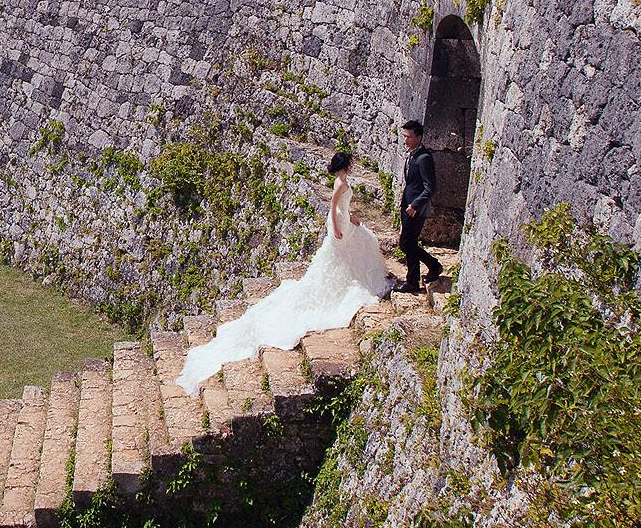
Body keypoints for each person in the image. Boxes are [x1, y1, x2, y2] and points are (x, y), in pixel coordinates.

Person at [174, 149, 392, 394]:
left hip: (343, 220)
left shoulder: (342, 181)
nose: (352, 166)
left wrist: (349, 218)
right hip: (338, 224)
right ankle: (357, 278)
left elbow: (342, 206)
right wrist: (337, 226)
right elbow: (333, 206)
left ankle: (356, 275)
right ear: (346, 166)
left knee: (356, 247)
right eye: (350, 164)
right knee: (351, 251)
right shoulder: (341, 183)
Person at [397, 119, 445, 293]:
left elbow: (430, 188)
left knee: (406, 244)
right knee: (409, 242)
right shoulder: (412, 155)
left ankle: (433, 265)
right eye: (404, 136)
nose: (405, 140)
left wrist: (415, 204)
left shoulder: (424, 158)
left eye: (408, 137)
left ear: (418, 137)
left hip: (416, 208)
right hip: (408, 206)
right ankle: (412, 280)